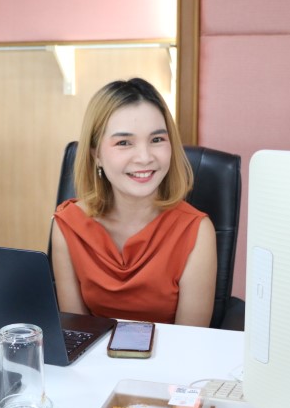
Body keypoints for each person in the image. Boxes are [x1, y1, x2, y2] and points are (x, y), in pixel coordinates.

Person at [51, 78, 217, 327]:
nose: (144, 157)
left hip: (172, 353)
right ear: (96, 155)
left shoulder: (196, 231)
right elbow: (77, 334)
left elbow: (191, 341)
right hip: (94, 353)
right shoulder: (67, 225)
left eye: (157, 140)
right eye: (124, 143)